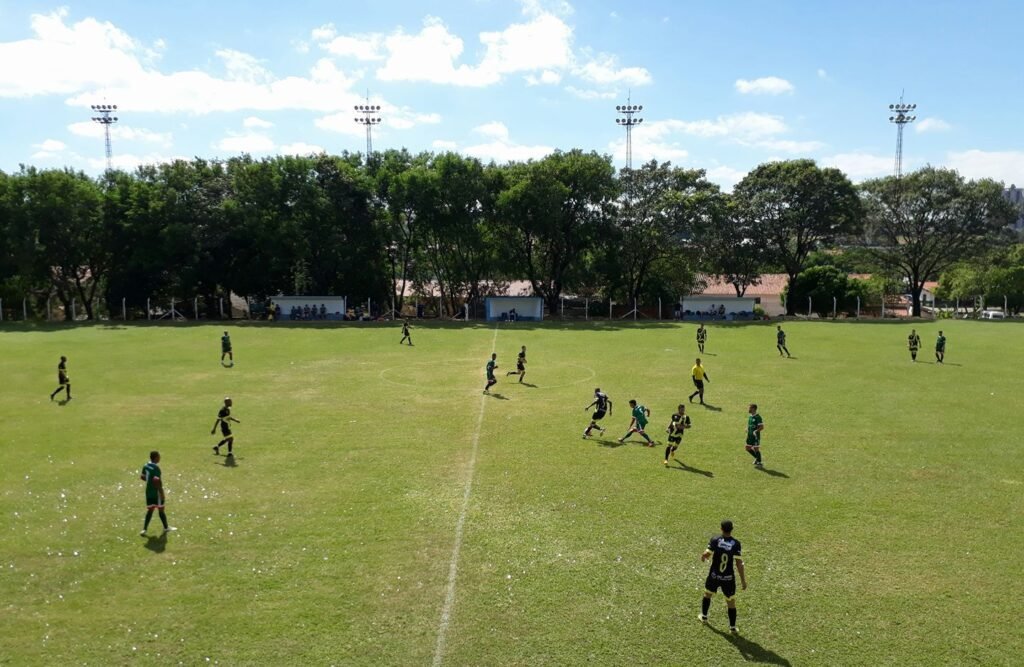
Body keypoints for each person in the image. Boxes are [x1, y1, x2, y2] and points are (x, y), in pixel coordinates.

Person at [699, 519, 746, 633]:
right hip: (728, 578)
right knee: (731, 602)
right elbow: (739, 564)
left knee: (707, 594)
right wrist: (743, 581)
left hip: (714, 575)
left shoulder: (715, 540)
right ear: (732, 530)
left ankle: (704, 617)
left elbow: (707, 554)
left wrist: (703, 556)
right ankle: (733, 628)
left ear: (721, 529)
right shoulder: (736, 544)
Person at [140, 451, 174, 536]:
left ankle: (144, 529)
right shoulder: (156, 468)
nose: (160, 458)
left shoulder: (146, 465)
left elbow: (142, 476)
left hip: (148, 492)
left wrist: (149, 481)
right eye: (159, 456)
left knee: (150, 510)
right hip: (156, 492)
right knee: (161, 509)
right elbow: (157, 481)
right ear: (155, 457)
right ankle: (166, 528)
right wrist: (162, 493)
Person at [745, 403, 764, 468]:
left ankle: (759, 463)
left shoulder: (758, 417)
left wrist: (756, 431)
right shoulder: (750, 416)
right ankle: (757, 458)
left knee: (756, 449)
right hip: (749, 436)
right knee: (747, 448)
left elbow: (761, 427)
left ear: (753, 409)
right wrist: (747, 428)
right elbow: (749, 425)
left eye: (749, 408)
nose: (748, 409)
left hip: (755, 436)